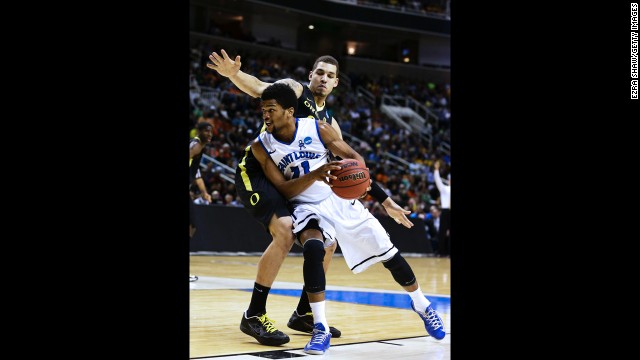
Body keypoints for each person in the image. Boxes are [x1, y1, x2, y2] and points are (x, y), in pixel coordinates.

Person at [208, 50, 414, 344]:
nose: (323, 78)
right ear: (310, 76)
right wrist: (232, 74)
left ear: (336, 84)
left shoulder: (329, 123)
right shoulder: (293, 90)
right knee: (284, 231)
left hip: (296, 183)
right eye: (319, 72)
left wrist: (384, 199)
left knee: (327, 242)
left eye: (330, 76)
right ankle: (254, 314)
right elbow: (257, 88)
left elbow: (351, 169)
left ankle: (305, 314)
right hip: (258, 172)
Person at [253, 83, 445, 354]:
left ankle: (422, 304)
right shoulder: (262, 146)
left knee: (390, 255)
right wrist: (315, 175)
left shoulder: (318, 128)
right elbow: (284, 189)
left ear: (289, 111)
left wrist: (362, 179)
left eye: (271, 109)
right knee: (314, 248)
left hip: (339, 199)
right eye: (263, 110)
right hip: (304, 204)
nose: (266, 115)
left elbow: (354, 157)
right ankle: (320, 327)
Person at [189, 122, 213, 282]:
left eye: (211, 131)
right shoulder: (196, 145)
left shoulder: (198, 147)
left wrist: (204, 192)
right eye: (206, 131)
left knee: (191, 227)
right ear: (199, 132)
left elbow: (196, 173)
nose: (209, 134)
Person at [434, 160, 451, 257]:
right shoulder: (445, 189)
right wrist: (436, 170)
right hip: (445, 211)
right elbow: (438, 181)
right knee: (442, 232)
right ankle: (441, 252)